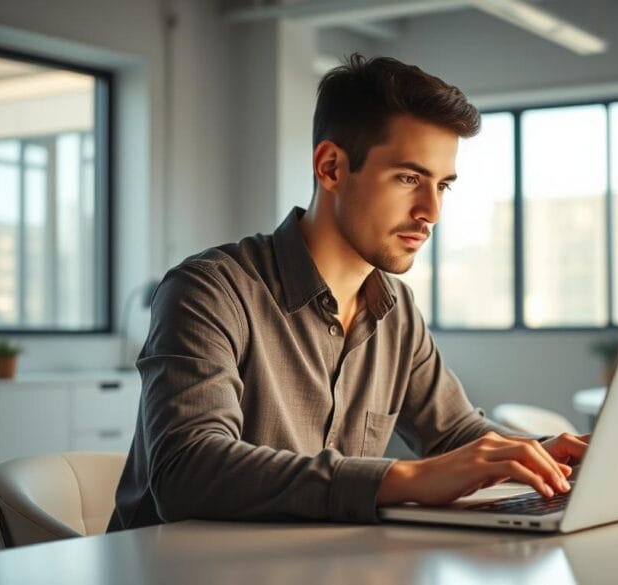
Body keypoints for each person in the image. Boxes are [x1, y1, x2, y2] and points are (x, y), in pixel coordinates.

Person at [108, 54, 589, 531]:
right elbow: (186, 472)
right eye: (408, 178)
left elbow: (457, 434)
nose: (431, 211)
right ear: (332, 167)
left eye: (443, 185)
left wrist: (540, 455)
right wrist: (404, 478)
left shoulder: (396, 311)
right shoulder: (209, 291)